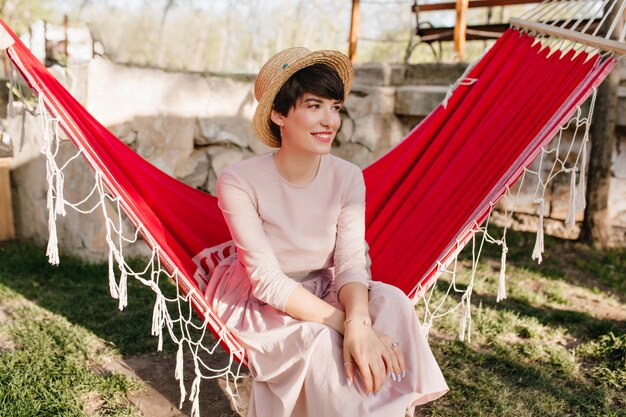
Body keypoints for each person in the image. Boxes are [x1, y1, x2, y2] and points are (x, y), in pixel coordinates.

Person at [204, 47, 449, 417]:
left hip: (327, 283)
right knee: (319, 339)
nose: (329, 121)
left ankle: (388, 407)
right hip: (264, 302)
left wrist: (359, 320)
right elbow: (268, 282)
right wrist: (349, 326)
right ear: (278, 114)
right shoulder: (238, 181)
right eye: (314, 105)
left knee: (394, 301)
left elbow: (351, 262)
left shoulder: (348, 176)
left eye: (334, 107)